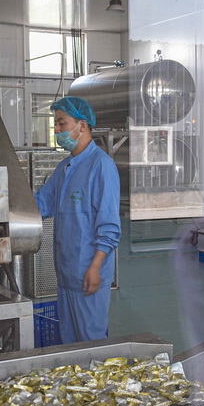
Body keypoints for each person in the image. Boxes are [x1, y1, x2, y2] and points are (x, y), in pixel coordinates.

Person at [34, 96, 121, 343]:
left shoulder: (101, 166)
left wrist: (95, 268)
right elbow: (41, 204)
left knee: (91, 341)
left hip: (88, 275)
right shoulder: (64, 168)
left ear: (82, 126)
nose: (57, 130)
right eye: (56, 124)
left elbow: (110, 227)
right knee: (69, 342)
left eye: (61, 123)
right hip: (66, 274)